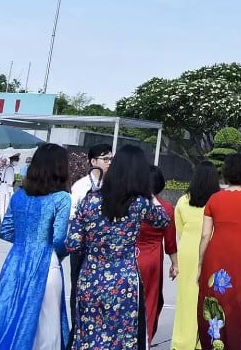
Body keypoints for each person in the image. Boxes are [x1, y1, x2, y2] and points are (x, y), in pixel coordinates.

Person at [67, 145, 170, 350]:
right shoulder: (140, 203)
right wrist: (148, 194)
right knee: (123, 337)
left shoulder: (89, 199)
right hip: (124, 280)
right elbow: (163, 220)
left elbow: (73, 244)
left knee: (88, 335)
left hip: (91, 278)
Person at [0, 143, 72, 350]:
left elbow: (5, 231)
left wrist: (25, 241)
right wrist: (60, 254)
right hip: (45, 263)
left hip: (15, 261)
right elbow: (60, 240)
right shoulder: (62, 198)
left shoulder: (20, 195)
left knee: (7, 316)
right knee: (46, 327)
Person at [197, 154, 241, 350]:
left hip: (213, 253)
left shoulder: (214, 198)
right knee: (234, 301)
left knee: (211, 298)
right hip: (237, 255)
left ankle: (212, 343)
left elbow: (205, 235)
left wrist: (200, 263)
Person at [171, 161, 220, 350]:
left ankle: (182, 341)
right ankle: (205, 340)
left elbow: (179, 228)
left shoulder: (183, 200)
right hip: (211, 250)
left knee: (186, 297)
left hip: (188, 250)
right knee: (209, 297)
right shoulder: (217, 200)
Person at [68, 143, 113, 315]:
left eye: (111, 159)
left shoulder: (113, 185)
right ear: (93, 161)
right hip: (82, 246)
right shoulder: (81, 186)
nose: (109, 162)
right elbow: (72, 214)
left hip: (105, 247)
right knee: (78, 287)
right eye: (105, 159)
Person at [136, 166, 178, 345]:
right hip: (152, 257)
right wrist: (175, 264)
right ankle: (146, 338)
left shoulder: (131, 204)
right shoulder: (166, 208)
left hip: (131, 254)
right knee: (151, 300)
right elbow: (170, 242)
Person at [0, 152, 19, 228]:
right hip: (5, 189)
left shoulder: (7, 167)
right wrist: (11, 192)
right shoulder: (10, 168)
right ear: (14, 160)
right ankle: (4, 224)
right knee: (4, 207)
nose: (18, 161)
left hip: (2, 188)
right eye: (17, 160)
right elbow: (10, 183)